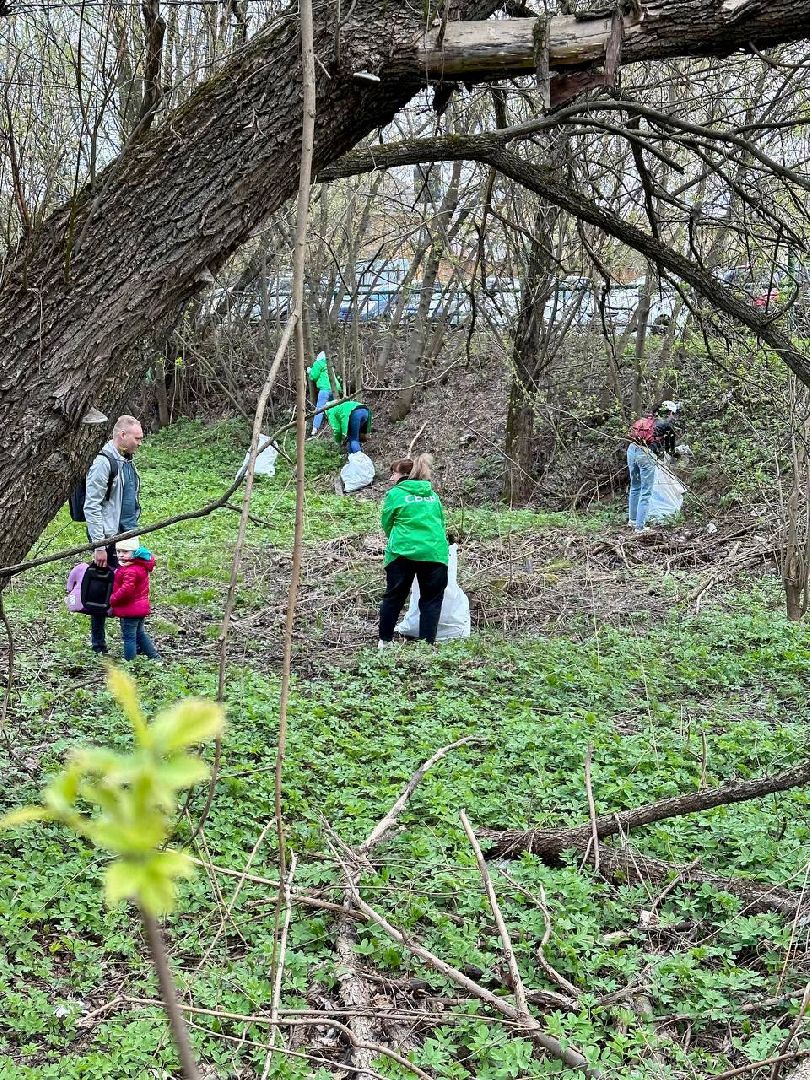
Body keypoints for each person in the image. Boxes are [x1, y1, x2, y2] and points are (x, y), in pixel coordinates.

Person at [84, 414, 144, 653]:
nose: (140, 443)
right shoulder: (104, 462)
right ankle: (99, 645)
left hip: (128, 535)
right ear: (122, 435)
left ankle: (134, 640)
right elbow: (92, 504)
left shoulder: (127, 460)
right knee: (102, 588)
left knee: (132, 587)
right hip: (109, 539)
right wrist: (99, 545)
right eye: (137, 438)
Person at [378, 454, 449, 646]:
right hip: (434, 553)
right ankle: (427, 645)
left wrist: (401, 539)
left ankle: (385, 641)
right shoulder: (433, 496)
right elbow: (441, 523)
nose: (391, 478)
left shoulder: (396, 494)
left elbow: (387, 523)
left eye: (393, 473)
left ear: (404, 476)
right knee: (431, 600)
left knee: (394, 597)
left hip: (402, 552)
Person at [627, 401, 680, 532]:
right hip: (645, 455)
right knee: (646, 491)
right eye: (673, 414)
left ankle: (632, 521)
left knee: (635, 487)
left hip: (632, 450)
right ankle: (640, 527)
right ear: (670, 413)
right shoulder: (667, 426)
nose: (673, 417)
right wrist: (678, 456)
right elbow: (670, 451)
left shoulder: (646, 419)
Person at [109, 536, 159, 661]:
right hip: (139, 608)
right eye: (118, 551)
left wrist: (113, 599)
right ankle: (155, 658)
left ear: (135, 552)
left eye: (125, 552)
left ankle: (129, 663)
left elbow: (127, 590)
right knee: (140, 634)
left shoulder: (130, 570)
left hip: (130, 609)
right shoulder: (139, 566)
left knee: (129, 637)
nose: (121, 555)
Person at [307, 350, 342, 437]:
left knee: (320, 409)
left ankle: (314, 429)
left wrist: (309, 371)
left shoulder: (318, 363)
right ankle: (337, 426)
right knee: (333, 407)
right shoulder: (330, 365)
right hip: (335, 389)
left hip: (325, 389)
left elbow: (313, 376)